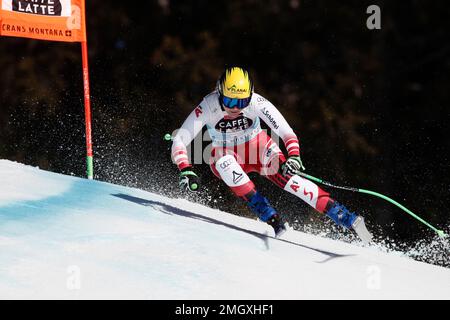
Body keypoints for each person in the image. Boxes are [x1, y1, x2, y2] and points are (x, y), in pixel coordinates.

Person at [171, 66, 372, 241]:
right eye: (229, 101)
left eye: (241, 102)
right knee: (225, 164)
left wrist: (294, 156)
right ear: (218, 92)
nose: (235, 108)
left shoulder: (257, 102)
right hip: (225, 153)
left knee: (295, 183)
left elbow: (286, 132)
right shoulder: (208, 105)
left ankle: (346, 218)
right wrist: (185, 169)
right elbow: (180, 138)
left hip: (259, 149)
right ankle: (270, 216)